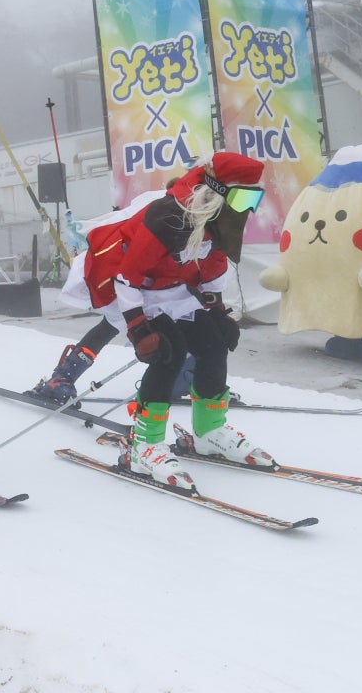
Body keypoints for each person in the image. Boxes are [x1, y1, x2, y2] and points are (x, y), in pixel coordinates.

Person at [43, 152, 273, 490]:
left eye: (254, 198)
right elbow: (128, 275)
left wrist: (218, 311)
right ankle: (145, 445)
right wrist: (138, 328)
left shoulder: (221, 219)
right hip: (134, 289)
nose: (248, 207)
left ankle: (209, 432)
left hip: (175, 287)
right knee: (169, 352)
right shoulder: (168, 217)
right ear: (216, 190)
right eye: (242, 197)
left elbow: (211, 269)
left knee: (213, 345)